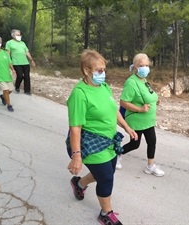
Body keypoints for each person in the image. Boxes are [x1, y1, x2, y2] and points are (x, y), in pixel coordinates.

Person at [66, 49, 137, 225]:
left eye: (104, 70)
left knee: (107, 172)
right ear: (86, 70)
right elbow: (75, 128)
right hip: (89, 142)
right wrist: (76, 156)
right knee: (106, 177)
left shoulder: (104, 87)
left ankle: (79, 184)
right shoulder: (80, 94)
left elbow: (113, 111)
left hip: (108, 140)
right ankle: (106, 213)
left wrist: (127, 127)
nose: (103, 74)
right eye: (99, 70)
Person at [117, 53, 165, 177]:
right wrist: (139, 108)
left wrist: (155, 100)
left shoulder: (143, 80)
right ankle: (117, 154)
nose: (144, 68)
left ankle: (150, 166)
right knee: (135, 144)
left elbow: (148, 94)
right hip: (137, 119)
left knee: (152, 141)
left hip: (148, 120)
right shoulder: (131, 82)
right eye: (141, 65)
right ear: (135, 67)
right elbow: (123, 102)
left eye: (146, 65)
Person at [5, 29, 36, 95]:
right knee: (20, 75)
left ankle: (27, 90)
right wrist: (9, 63)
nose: (19, 36)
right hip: (16, 63)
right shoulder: (9, 43)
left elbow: (27, 52)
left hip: (25, 63)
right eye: (17, 35)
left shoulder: (22, 43)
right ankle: (17, 86)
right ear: (13, 35)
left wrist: (31, 60)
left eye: (20, 35)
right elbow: (8, 54)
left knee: (27, 76)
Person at [0, 35, 16, 112]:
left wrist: (13, 70)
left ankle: (3, 97)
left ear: (1, 42)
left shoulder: (5, 53)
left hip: (7, 75)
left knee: (10, 90)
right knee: (6, 89)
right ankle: (9, 105)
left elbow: (9, 62)